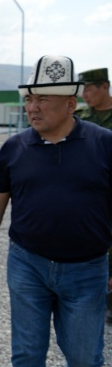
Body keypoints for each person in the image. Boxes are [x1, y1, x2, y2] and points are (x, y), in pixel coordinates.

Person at [0, 55, 110, 367]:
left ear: (70, 104)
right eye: (29, 99)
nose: (32, 108)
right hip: (27, 265)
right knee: (27, 352)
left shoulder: (104, 144)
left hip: (87, 269)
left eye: (43, 100)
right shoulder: (14, 148)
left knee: (85, 360)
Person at [75, 68, 112, 325]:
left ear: (105, 87)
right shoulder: (79, 117)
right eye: (83, 90)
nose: (85, 95)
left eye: (89, 89)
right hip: (85, 193)